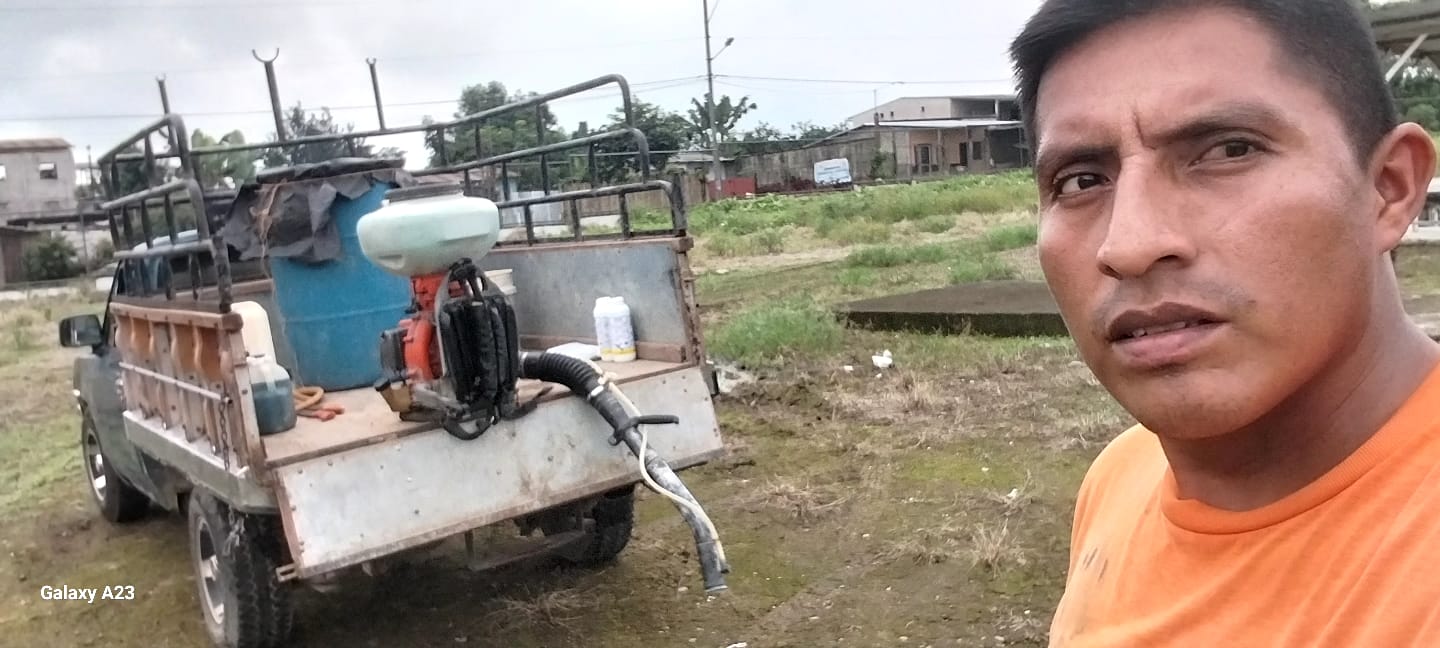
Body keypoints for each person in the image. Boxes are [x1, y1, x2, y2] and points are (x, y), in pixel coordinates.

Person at [1009, 0, 1440, 645]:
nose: (1128, 244)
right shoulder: (1121, 477)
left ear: (1388, 187)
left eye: (1227, 150)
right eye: (1080, 181)